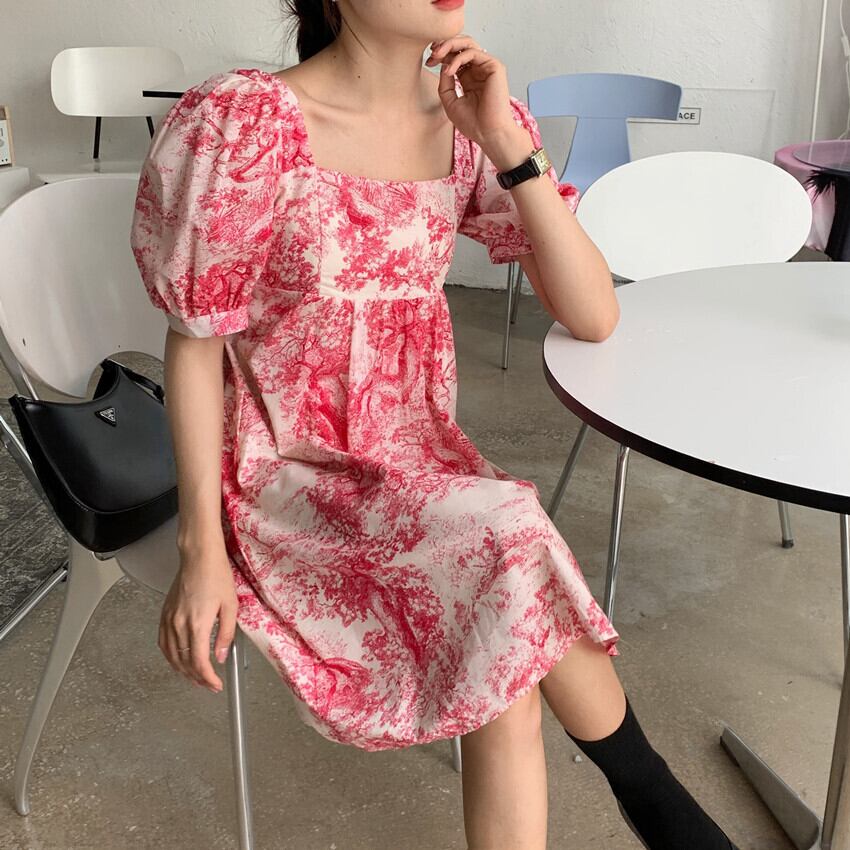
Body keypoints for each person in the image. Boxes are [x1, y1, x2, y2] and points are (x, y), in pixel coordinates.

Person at [129, 1, 741, 847]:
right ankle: (657, 800)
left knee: (504, 639)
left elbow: (594, 314)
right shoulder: (244, 124)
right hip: (286, 472)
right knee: (507, 539)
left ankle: (659, 804)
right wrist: (202, 550)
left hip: (419, 465)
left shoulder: (470, 124)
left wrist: (509, 148)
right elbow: (197, 344)